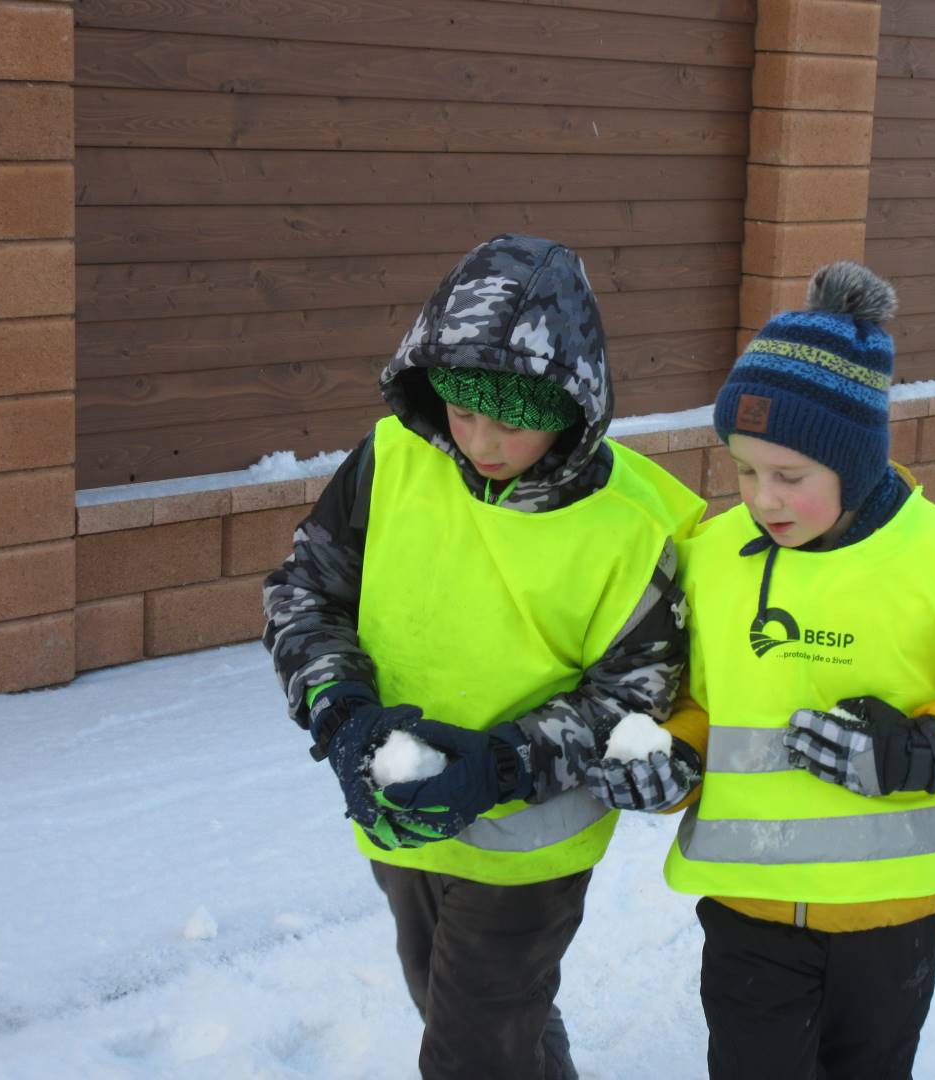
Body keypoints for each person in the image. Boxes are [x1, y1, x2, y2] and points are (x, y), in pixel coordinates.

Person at [586, 261, 935, 1079]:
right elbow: (699, 700)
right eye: (744, 469)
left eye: (790, 476)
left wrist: (922, 749)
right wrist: (675, 759)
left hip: (893, 920)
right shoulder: (713, 558)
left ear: (856, 462)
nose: (762, 498)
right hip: (749, 912)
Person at [262, 234, 706, 1080]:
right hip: (397, 809)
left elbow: (632, 697)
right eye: (463, 413)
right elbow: (306, 592)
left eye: (512, 423)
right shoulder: (392, 457)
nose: (482, 443)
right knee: (451, 1002)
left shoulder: (633, 524)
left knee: (471, 1050)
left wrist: (496, 766)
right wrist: (341, 713)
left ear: (571, 409)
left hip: (530, 843)